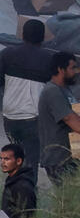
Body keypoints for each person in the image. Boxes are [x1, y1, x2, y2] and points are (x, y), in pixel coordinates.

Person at [0, 19, 56, 168]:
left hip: (10, 118)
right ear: (43, 38)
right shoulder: (50, 59)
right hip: (34, 119)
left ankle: (16, 187)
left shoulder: (8, 53)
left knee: (17, 158)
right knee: (30, 162)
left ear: (22, 35)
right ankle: (27, 188)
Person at [37, 51, 80, 185]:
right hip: (59, 158)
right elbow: (73, 121)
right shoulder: (53, 91)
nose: (76, 72)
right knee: (67, 199)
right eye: (72, 68)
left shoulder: (65, 90)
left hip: (70, 155)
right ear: (60, 69)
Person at [0, 144, 37, 218]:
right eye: (1, 159)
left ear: (19, 161)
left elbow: (26, 214)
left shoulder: (23, 186)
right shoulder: (12, 180)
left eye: (7, 159)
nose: (2, 163)